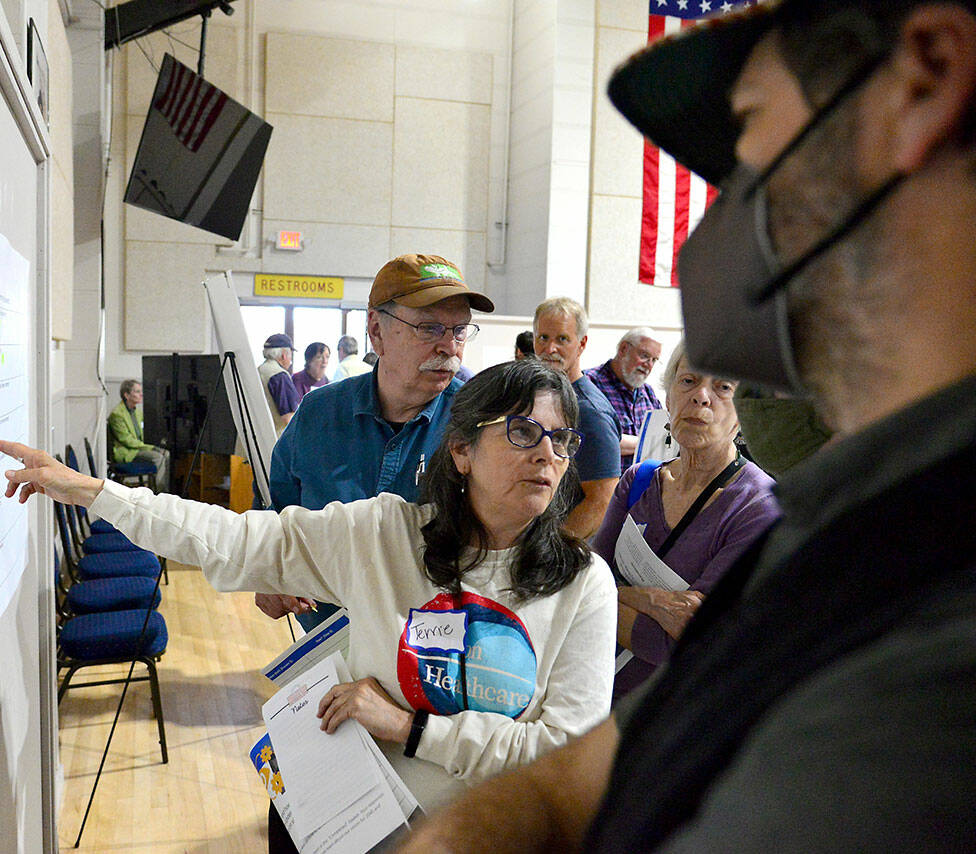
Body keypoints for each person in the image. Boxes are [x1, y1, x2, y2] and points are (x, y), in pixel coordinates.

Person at [399, 2, 976, 851]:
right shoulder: (855, 528)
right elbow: (581, 782)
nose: (723, 208)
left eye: (745, 127)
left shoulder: (932, 679)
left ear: (923, 79)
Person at [0, 360, 617, 821]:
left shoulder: (582, 583)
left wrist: (409, 727)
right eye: (521, 431)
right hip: (354, 812)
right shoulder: (383, 533)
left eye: (561, 439)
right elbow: (235, 539)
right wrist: (96, 493)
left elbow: (564, 753)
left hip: (487, 831)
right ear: (461, 451)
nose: (547, 454)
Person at [256, 254, 495, 632]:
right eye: (430, 328)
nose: (450, 347)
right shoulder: (318, 414)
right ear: (377, 330)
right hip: (327, 641)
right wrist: (268, 574)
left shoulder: (477, 426)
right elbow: (276, 516)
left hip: (432, 649)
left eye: (460, 330)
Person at [593, 341, 780, 699]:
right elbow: (582, 585)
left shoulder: (757, 507)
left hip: (667, 715)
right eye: (688, 381)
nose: (701, 397)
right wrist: (651, 602)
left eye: (723, 387)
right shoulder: (639, 481)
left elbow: (676, 643)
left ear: (743, 411)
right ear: (668, 398)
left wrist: (606, 600)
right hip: (593, 696)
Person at [532, 297, 621, 539]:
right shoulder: (544, 397)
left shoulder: (590, 412)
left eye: (562, 339)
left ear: (581, 344)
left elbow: (602, 501)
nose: (550, 349)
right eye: (543, 338)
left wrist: (551, 551)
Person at [583, 328, 664, 468]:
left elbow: (663, 441)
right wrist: (648, 444)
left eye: (654, 360)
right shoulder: (589, 384)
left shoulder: (648, 393)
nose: (648, 365)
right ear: (623, 349)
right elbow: (596, 441)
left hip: (644, 484)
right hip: (603, 485)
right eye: (644, 356)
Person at [107, 379, 170, 492]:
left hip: (137, 448)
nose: (141, 394)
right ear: (127, 395)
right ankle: (160, 492)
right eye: (137, 391)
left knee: (167, 453)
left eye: (141, 391)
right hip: (127, 451)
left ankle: (165, 489)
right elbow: (126, 440)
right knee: (159, 457)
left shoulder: (138, 412)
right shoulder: (117, 414)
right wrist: (150, 447)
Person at [258, 332, 301, 434]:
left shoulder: (258, 371)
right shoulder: (279, 376)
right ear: (283, 355)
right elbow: (288, 418)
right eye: (291, 354)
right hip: (275, 439)